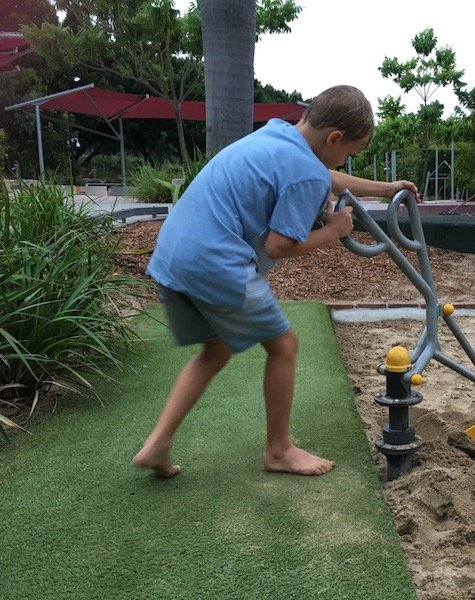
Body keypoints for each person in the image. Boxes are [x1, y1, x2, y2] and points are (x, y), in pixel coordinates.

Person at [133, 85, 418, 478]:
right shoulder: (306, 175)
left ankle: (158, 443)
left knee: (215, 351)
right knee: (284, 345)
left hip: (173, 255)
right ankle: (279, 451)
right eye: (350, 154)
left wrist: (386, 189)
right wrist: (334, 231)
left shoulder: (278, 133)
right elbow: (280, 245)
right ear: (334, 137)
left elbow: (325, 174)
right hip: (215, 262)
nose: (346, 162)